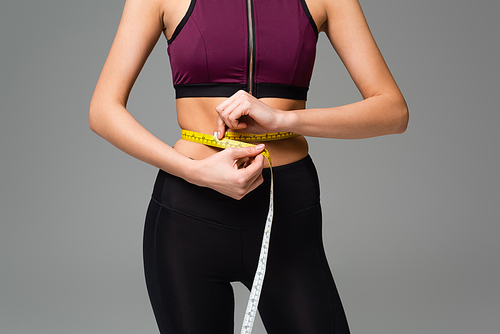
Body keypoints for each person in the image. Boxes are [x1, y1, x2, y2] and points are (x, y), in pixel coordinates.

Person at [89, 0, 408, 333]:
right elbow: (102, 110)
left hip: (287, 213)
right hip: (189, 216)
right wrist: (195, 172)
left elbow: (393, 112)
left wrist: (285, 120)